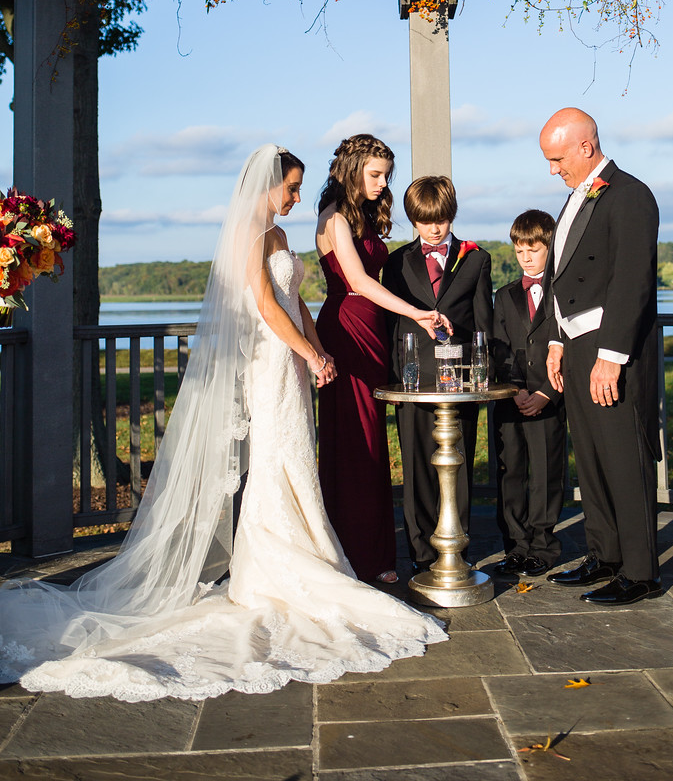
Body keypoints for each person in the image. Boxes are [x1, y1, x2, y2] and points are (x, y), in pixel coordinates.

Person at [0, 145, 446, 701]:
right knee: (277, 458)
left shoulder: (280, 237)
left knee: (297, 456)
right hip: (269, 361)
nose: (297, 197)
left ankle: (293, 556)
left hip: (293, 357)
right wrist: (309, 355)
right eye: (291, 187)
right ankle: (274, 566)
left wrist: (315, 345)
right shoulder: (249, 237)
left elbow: (297, 298)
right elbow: (262, 302)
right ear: (267, 186)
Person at [538, 108, 663, 605]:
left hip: (612, 347)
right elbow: (559, 278)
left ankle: (641, 572)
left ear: (585, 147)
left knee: (624, 459)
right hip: (574, 346)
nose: (553, 169)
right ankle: (605, 555)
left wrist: (611, 356)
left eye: (557, 158)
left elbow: (633, 281)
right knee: (590, 457)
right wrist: (554, 341)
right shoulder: (576, 196)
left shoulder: (632, 195)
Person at [315, 136, 450, 585]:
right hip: (348, 327)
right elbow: (356, 279)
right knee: (356, 444)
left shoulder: (361, 216)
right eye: (375, 174)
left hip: (372, 328)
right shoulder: (334, 218)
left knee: (372, 443)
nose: (382, 183)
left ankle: (372, 551)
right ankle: (357, 555)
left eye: (386, 175)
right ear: (351, 170)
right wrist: (416, 312)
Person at [382, 176, 493, 573]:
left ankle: (457, 546)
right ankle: (421, 551)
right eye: (425, 221)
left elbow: (484, 321)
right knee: (416, 464)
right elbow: (390, 324)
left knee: (458, 462)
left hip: (460, 375)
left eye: (442, 220)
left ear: (452, 215)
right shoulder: (396, 262)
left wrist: (484, 375)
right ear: (413, 220)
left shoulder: (477, 258)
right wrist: (394, 380)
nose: (434, 228)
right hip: (412, 379)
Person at [491, 209, 566, 579]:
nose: (526, 257)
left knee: (546, 473)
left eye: (533, 250)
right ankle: (516, 546)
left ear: (549, 249)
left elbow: (570, 346)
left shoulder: (564, 293)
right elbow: (499, 347)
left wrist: (546, 393)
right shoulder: (504, 297)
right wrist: (516, 389)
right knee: (512, 473)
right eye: (519, 250)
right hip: (511, 399)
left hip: (550, 399)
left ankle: (542, 545)